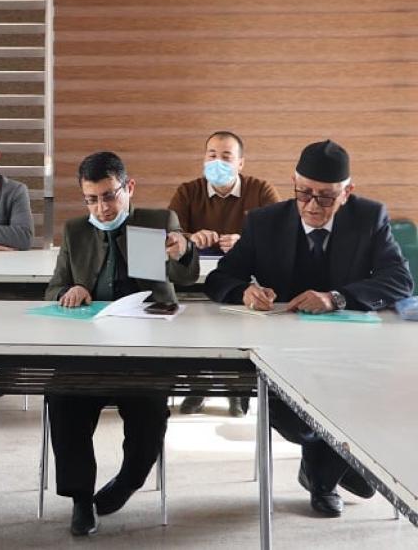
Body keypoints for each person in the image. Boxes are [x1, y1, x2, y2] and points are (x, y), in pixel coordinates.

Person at [205, 139, 413, 518]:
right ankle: (336, 460)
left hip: (347, 356)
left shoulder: (369, 217)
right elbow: (220, 278)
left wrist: (336, 298)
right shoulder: (264, 221)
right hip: (281, 353)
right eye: (304, 193)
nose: (313, 206)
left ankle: (321, 480)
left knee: (358, 403)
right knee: (299, 422)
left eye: (326, 197)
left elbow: (400, 281)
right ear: (294, 183)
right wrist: (245, 291)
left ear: (347, 192)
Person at [45, 151, 199, 536]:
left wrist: (182, 250)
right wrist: (70, 291)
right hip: (89, 349)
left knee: (149, 413)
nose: (102, 207)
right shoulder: (76, 231)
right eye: (92, 199)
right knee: (63, 399)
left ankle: (128, 481)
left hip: (145, 349)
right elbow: (54, 288)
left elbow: (187, 275)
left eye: (109, 196)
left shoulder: (156, 223)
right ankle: (81, 498)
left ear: (128, 187)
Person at [169, 131, 280, 417]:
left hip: (243, 279)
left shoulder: (261, 190)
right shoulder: (188, 191)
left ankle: (239, 390)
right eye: (212, 155)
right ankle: (197, 385)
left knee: (241, 325)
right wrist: (191, 238)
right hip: (196, 279)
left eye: (226, 157)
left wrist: (246, 241)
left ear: (240, 163)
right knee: (193, 325)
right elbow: (170, 234)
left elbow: (279, 234)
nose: (217, 162)